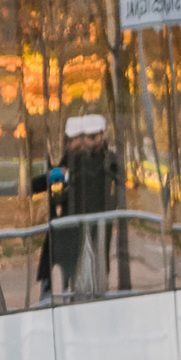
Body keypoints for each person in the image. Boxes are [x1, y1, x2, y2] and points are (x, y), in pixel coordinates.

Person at [35, 111, 119, 302]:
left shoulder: (104, 160)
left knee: (85, 266)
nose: (74, 144)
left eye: (84, 138)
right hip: (69, 224)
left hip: (87, 225)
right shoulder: (70, 161)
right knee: (64, 266)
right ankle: (59, 292)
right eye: (70, 140)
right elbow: (53, 179)